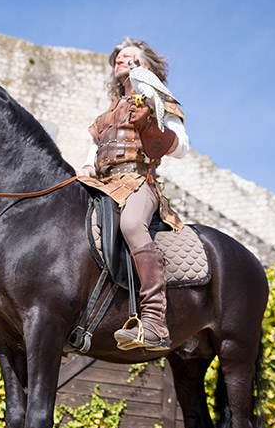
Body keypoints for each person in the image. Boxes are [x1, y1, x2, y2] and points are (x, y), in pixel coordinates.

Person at [76, 38, 190, 352]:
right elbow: (94, 148)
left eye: (130, 57)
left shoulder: (159, 101)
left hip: (140, 181)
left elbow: (181, 147)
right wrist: (86, 167)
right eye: (118, 57)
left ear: (147, 67)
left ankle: (154, 320)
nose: (122, 59)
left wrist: (153, 126)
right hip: (103, 182)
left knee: (131, 224)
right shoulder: (108, 114)